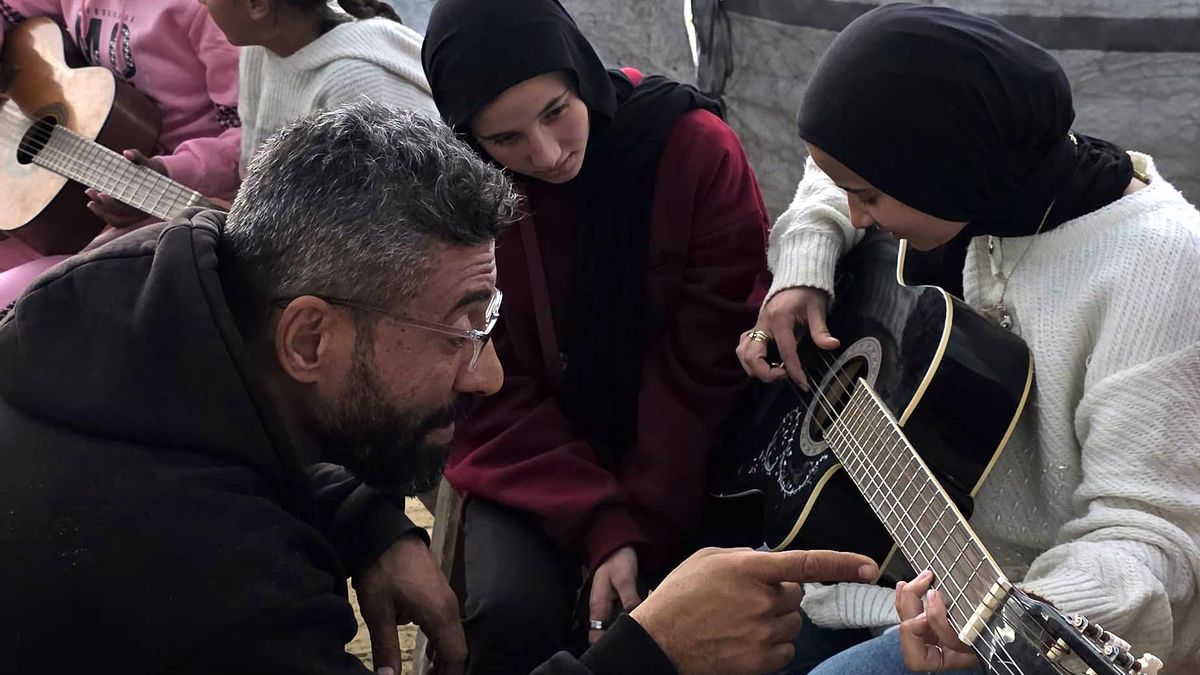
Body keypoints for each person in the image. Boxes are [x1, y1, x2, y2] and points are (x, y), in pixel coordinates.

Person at [0, 100, 878, 675]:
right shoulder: (208, 581)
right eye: (463, 325)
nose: (489, 370)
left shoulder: (158, 288)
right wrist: (650, 655)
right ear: (311, 335)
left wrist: (363, 519)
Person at [735, 4, 1200, 674]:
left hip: (1002, 612)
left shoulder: (1160, 266)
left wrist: (1013, 609)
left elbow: (1148, 538)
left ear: (943, 166)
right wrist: (803, 266)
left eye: (868, 197)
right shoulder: (976, 174)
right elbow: (829, 173)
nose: (861, 216)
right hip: (877, 562)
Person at [421, 0, 772, 670]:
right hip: (535, 463)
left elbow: (704, 367)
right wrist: (598, 522)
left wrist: (640, 522)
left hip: (695, 454)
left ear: (580, 69)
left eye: (557, 111)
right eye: (506, 140)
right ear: (470, 139)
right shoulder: (460, 202)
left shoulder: (692, 150)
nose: (547, 154)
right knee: (508, 615)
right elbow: (482, 387)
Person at [0, 0, 241, 297]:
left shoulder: (211, 9)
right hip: (55, 190)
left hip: (168, 205)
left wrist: (168, 171)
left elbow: (251, 136)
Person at [198, 0, 437, 168]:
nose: (200, 2)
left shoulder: (356, 80)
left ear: (256, 4)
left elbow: (397, 216)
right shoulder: (258, 50)